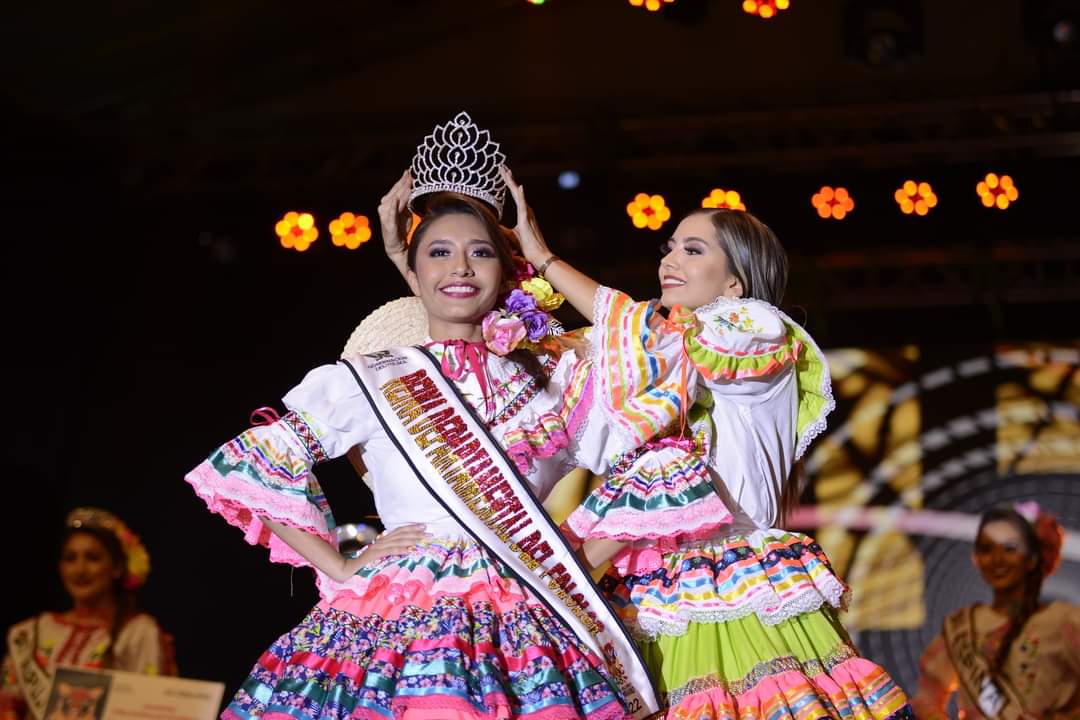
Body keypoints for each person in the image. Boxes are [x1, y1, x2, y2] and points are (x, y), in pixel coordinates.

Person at [185, 113, 660, 720]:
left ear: (506, 271)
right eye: (439, 253)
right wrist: (337, 562)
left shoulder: (557, 382)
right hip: (399, 611)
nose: (459, 268)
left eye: (479, 253)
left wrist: (541, 256)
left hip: (530, 610)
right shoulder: (369, 379)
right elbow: (254, 461)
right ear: (414, 272)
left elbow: (655, 365)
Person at [501, 171, 913, 719]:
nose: (670, 259)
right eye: (669, 247)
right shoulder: (680, 349)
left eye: (693, 250)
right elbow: (612, 350)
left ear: (735, 284)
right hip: (665, 581)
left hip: (733, 577)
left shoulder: (753, 327)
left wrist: (547, 260)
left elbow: (637, 333)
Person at [1, 508, 175, 720]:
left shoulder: (138, 633)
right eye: (70, 558)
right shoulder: (29, 632)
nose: (79, 569)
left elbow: (152, 711)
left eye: (92, 558)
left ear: (117, 567)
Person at [912, 503, 1078, 719]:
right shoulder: (961, 626)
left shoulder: (1066, 621)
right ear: (976, 558)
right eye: (986, 549)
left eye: (1009, 548)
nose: (997, 559)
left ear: (1032, 558)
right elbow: (927, 696)